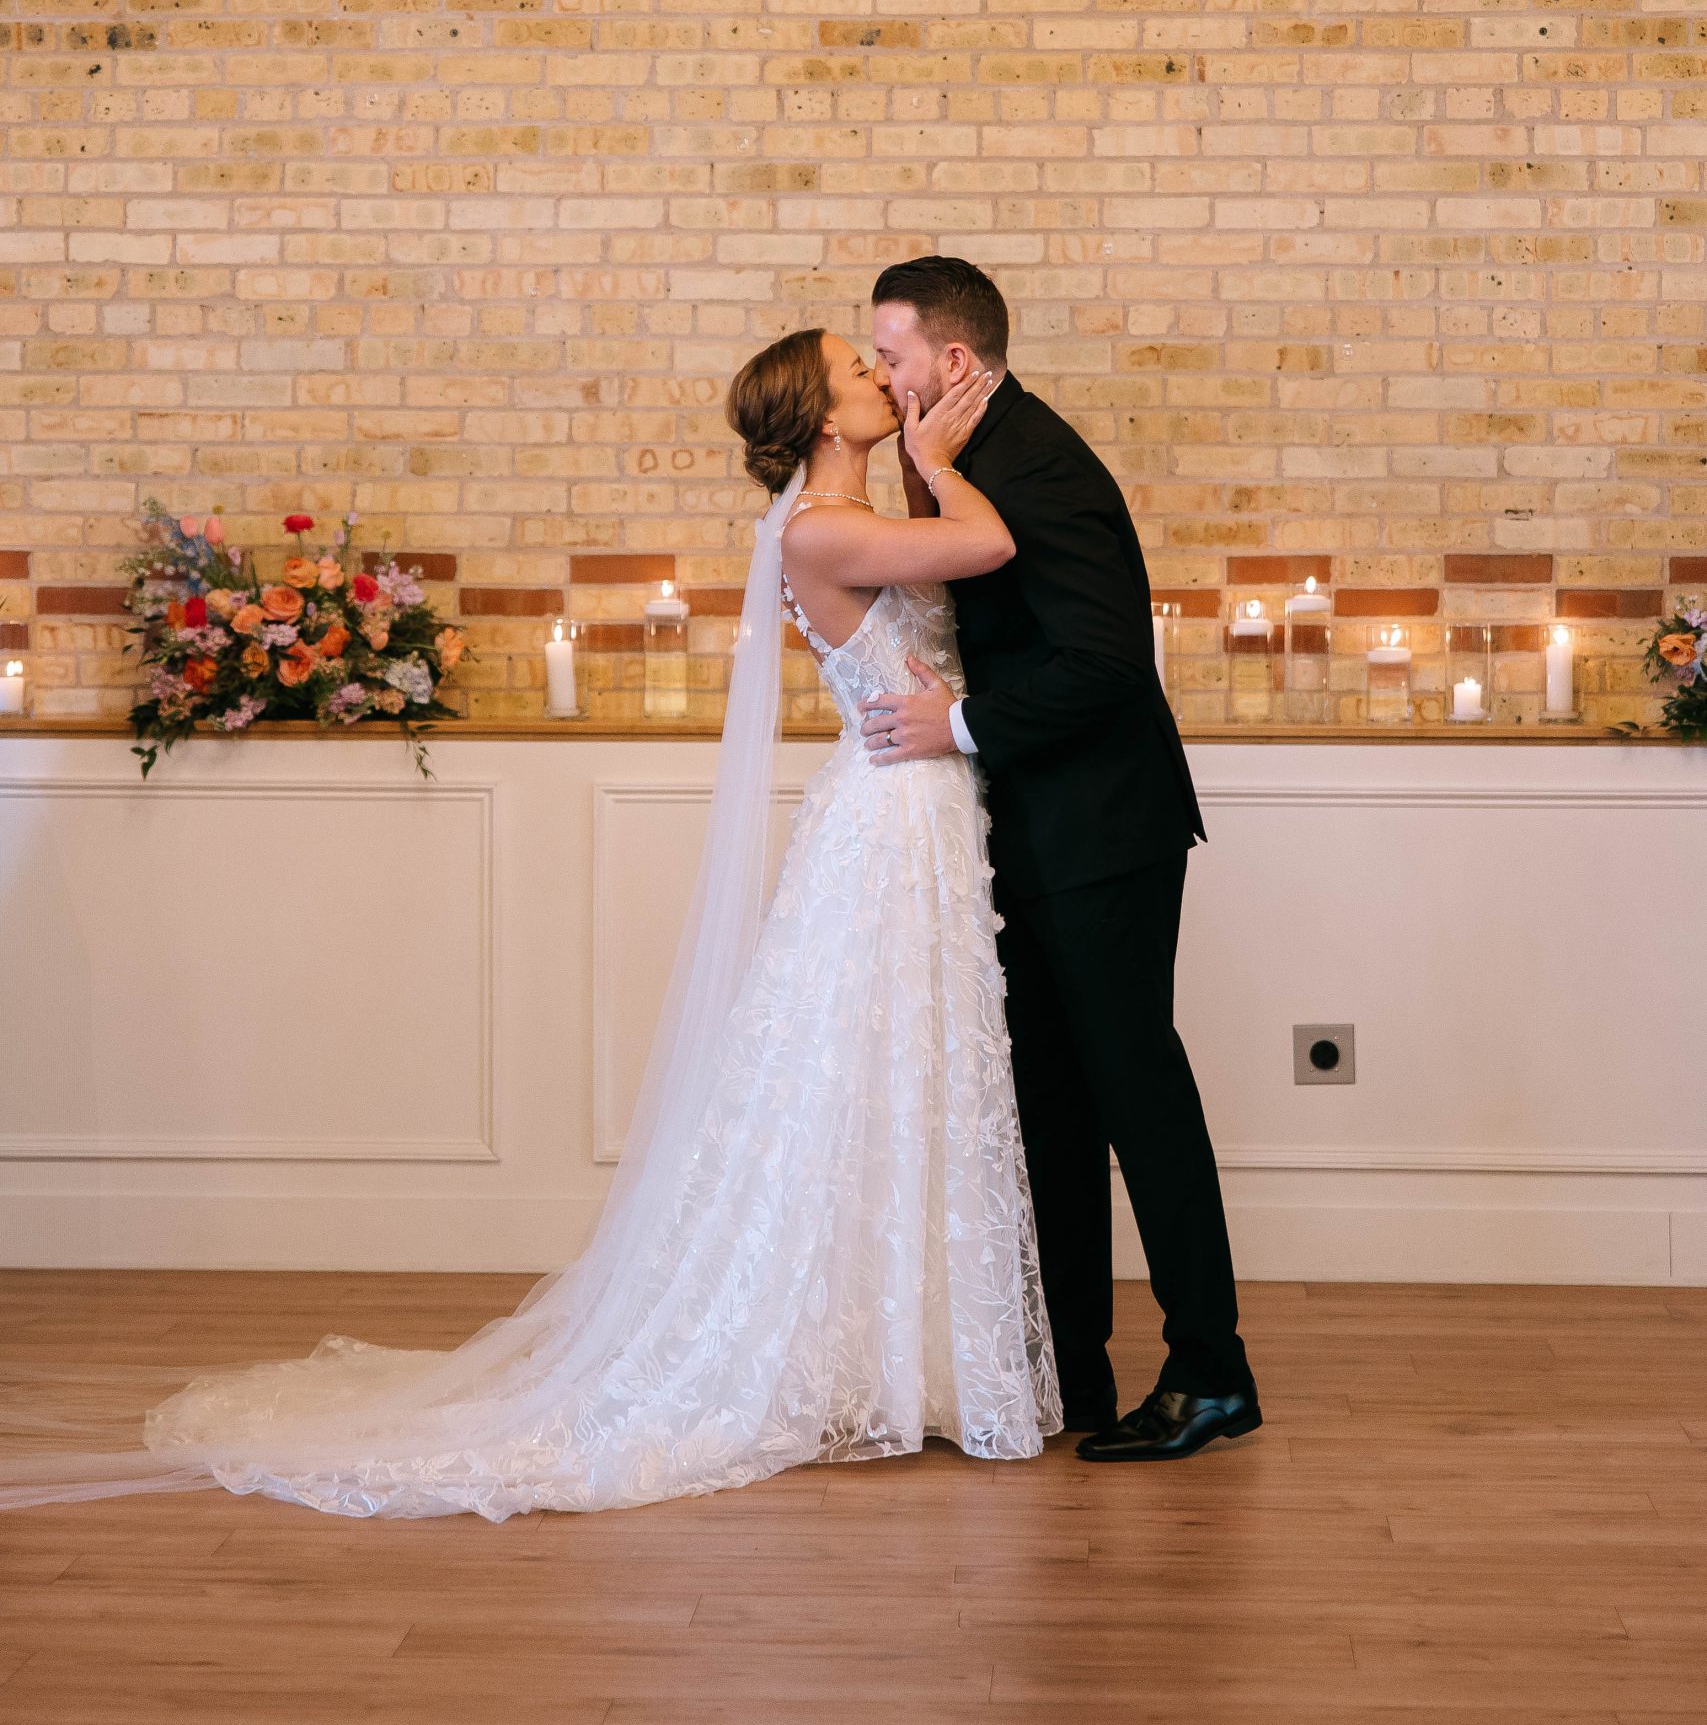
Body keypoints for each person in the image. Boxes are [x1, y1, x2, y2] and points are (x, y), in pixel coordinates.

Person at [0, 328, 1059, 1519]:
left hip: (922, 805)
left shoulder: (856, 512)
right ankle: (826, 1355)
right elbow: (988, 543)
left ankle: (899, 1356)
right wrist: (936, 455)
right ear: (821, 414)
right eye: (859, 371)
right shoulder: (817, 526)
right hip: (887, 815)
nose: (881, 378)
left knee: (906, 1067)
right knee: (861, 1064)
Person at [860, 255, 1259, 1463]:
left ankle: (1212, 1371)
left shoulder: (1039, 464)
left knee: (1138, 1096)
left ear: (953, 361)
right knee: (1051, 1107)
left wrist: (958, 723)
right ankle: (1072, 1371)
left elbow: (1106, 665)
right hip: (1033, 832)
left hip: (1105, 832)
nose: (879, 375)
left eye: (890, 355)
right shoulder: (969, 460)